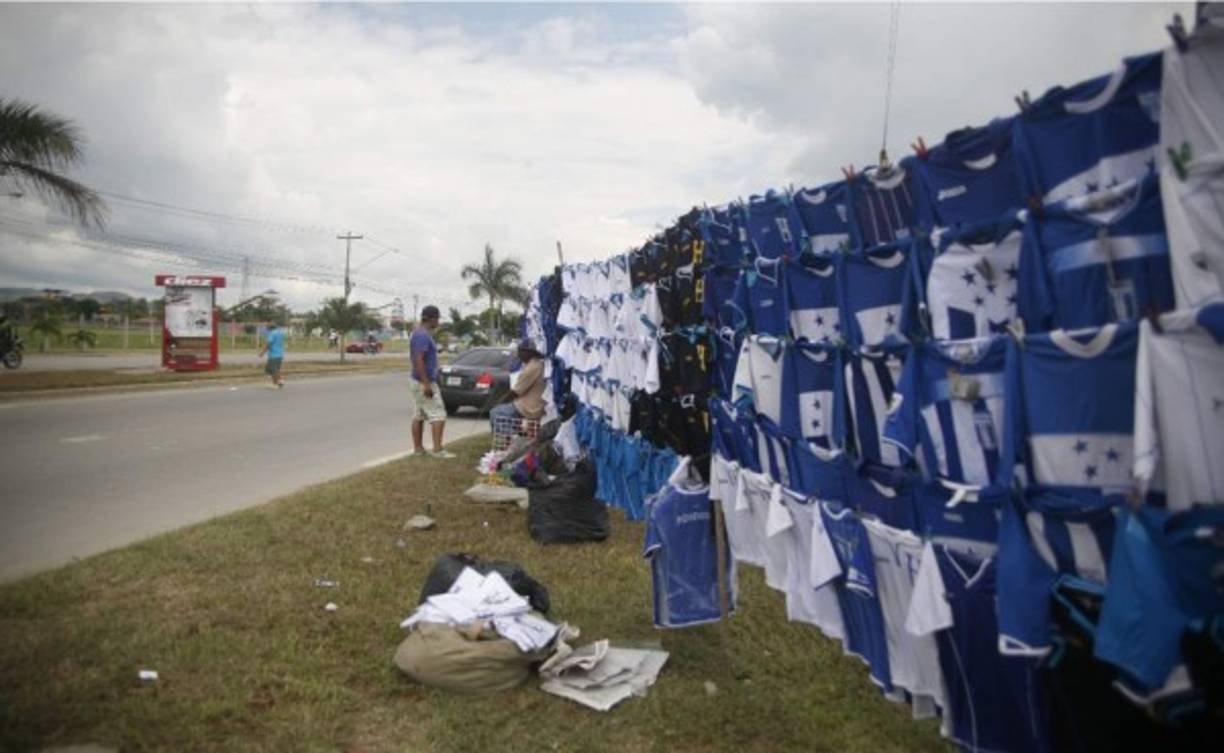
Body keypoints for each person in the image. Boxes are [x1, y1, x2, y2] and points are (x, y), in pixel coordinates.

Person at [409, 305, 454, 458]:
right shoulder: (422, 335)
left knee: (419, 415)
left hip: (417, 380)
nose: (438, 322)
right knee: (439, 414)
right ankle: (438, 449)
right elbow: (419, 359)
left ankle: (418, 449)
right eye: (437, 318)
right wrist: (426, 384)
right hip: (423, 381)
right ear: (432, 318)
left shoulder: (419, 333)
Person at [490, 338, 547, 430]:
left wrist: (500, 402)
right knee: (503, 411)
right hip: (530, 403)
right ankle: (514, 435)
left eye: (521, 351)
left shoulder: (532, 367)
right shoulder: (535, 364)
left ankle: (507, 441)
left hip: (530, 407)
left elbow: (515, 392)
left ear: (528, 352)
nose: (519, 354)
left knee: (496, 412)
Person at [259, 321, 285, 388]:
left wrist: (263, 352)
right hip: (280, 354)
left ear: (269, 328)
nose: (266, 328)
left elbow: (269, 343)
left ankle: (278, 382)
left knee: (273, 370)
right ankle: (276, 382)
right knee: (274, 369)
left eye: (267, 327)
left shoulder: (272, 333)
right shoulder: (280, 333)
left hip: (274, 354)